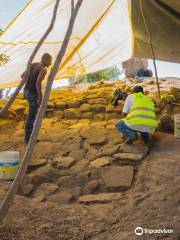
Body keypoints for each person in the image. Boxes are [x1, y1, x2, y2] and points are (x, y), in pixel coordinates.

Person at [23, 53, 52, 144]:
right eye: (50, 60)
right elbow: (38, 82)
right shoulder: (43, 69)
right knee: (31, 116)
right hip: (32, 93)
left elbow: (22, 76)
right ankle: (28, 139)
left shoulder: (34, 64)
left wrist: (27, 86)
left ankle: (29, 137)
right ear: (46, 59)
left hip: (27, 91)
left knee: (31, 115)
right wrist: (40, 97)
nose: (50, 63)